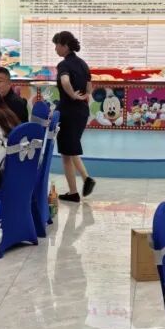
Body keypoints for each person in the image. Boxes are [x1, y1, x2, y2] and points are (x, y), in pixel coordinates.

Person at [53, 30, 94, 202]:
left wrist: (72, 95)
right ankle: (86, 179)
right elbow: (89, 86)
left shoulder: (64, 65)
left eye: (57, 45)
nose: (56, 49)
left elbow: (65, 81)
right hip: (81, 111)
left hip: (68, 111)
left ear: (65, 46)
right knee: (71, 147)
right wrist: (84, 97)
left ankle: (73, 192)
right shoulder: (83, 64)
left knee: (66, 155)